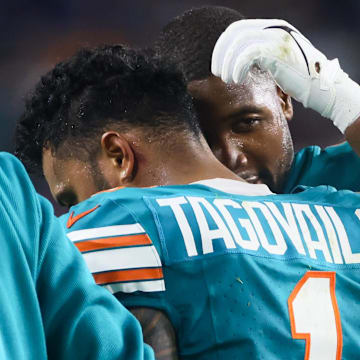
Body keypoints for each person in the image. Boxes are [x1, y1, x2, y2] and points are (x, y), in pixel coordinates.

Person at [15, 44, 360, 359]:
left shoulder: (123, 222)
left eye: (73, 195)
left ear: (118, 155)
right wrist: (338, 93)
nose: (77, 208)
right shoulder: (343, 213)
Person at [154, 6, 360, 193]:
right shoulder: (158, 213)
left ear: (283, 99)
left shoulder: (342, 178)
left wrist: (338, 96)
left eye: (247, 123)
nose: (231, 157)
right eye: (201, 138)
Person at [0, 152, 154, 359]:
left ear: (119, 158)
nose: (73, 214)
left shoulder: (83, 234)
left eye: (72, 202)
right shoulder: (11, 190)